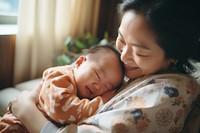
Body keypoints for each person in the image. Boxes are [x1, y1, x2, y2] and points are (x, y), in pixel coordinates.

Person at [8, 0, 200, 132]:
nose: (124, 56)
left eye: (140, 52)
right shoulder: (136, 72)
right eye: (121, 39)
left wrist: (26, 111)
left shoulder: (168, 95)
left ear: (174, 55)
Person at [0, 45, 125, 133]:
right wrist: (101, 101)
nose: (98, 86)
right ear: (80, 62)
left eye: (106, 87)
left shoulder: (82, 93)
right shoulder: (60, 76)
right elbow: (62, 109)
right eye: (97, 75)